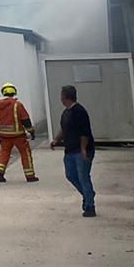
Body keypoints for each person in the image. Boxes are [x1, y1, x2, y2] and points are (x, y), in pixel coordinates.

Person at [53, 84, 97, 217]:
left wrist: (83, 149)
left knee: (83, 177)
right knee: (71, 175)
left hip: (81, 150)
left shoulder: (79, 111)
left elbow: (85, 132)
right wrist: (56, 140)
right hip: (70, 150)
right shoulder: (66, 112)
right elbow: (64, 129)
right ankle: (88, 193)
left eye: (61, 95)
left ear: (65, 97)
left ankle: (90, 206)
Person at [0, 82, 38, 183]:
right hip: (19, 136)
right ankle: (30, 176)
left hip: (4, 136)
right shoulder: (18, 105)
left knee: (4, 153)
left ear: (3, 92)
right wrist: (31, 132)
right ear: (14, 92)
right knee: (25, 154)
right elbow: (25, 120)